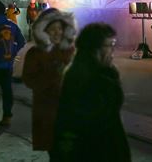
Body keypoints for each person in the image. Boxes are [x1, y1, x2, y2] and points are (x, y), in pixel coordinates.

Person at [51, 23, 131, 162]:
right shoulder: (88, 80)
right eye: (110, 44)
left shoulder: (99, 74)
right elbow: (91, 128)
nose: (113, 50)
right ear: (95, 48)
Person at [22, 8, 76, 157]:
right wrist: (54, 75)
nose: (57, 32)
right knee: (57, 153)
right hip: (49, 113)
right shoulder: (35, 53)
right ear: (43, 31)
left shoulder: (70, 50)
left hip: (71, 112)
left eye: (59, 28)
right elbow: (29, 80)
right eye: (52, 29)